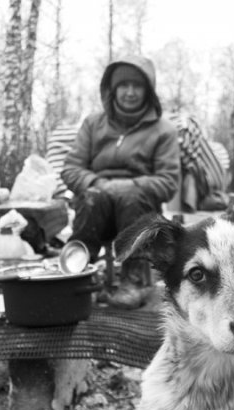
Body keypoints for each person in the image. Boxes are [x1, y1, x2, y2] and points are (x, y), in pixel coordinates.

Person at [62, 55, 180, 308]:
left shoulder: (164, 130)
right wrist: (99, 184)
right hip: (96, 209)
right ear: (112, 89)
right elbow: (71, 169)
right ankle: (79, 274)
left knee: (131, 197)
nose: (130, 92)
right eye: (123, 85)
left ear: (148, 91)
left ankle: (134, 281)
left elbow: (168, 181)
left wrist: (129, 186)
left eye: (137, 86)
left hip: (139, 213)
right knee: (94, 197)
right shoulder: (93, 124)